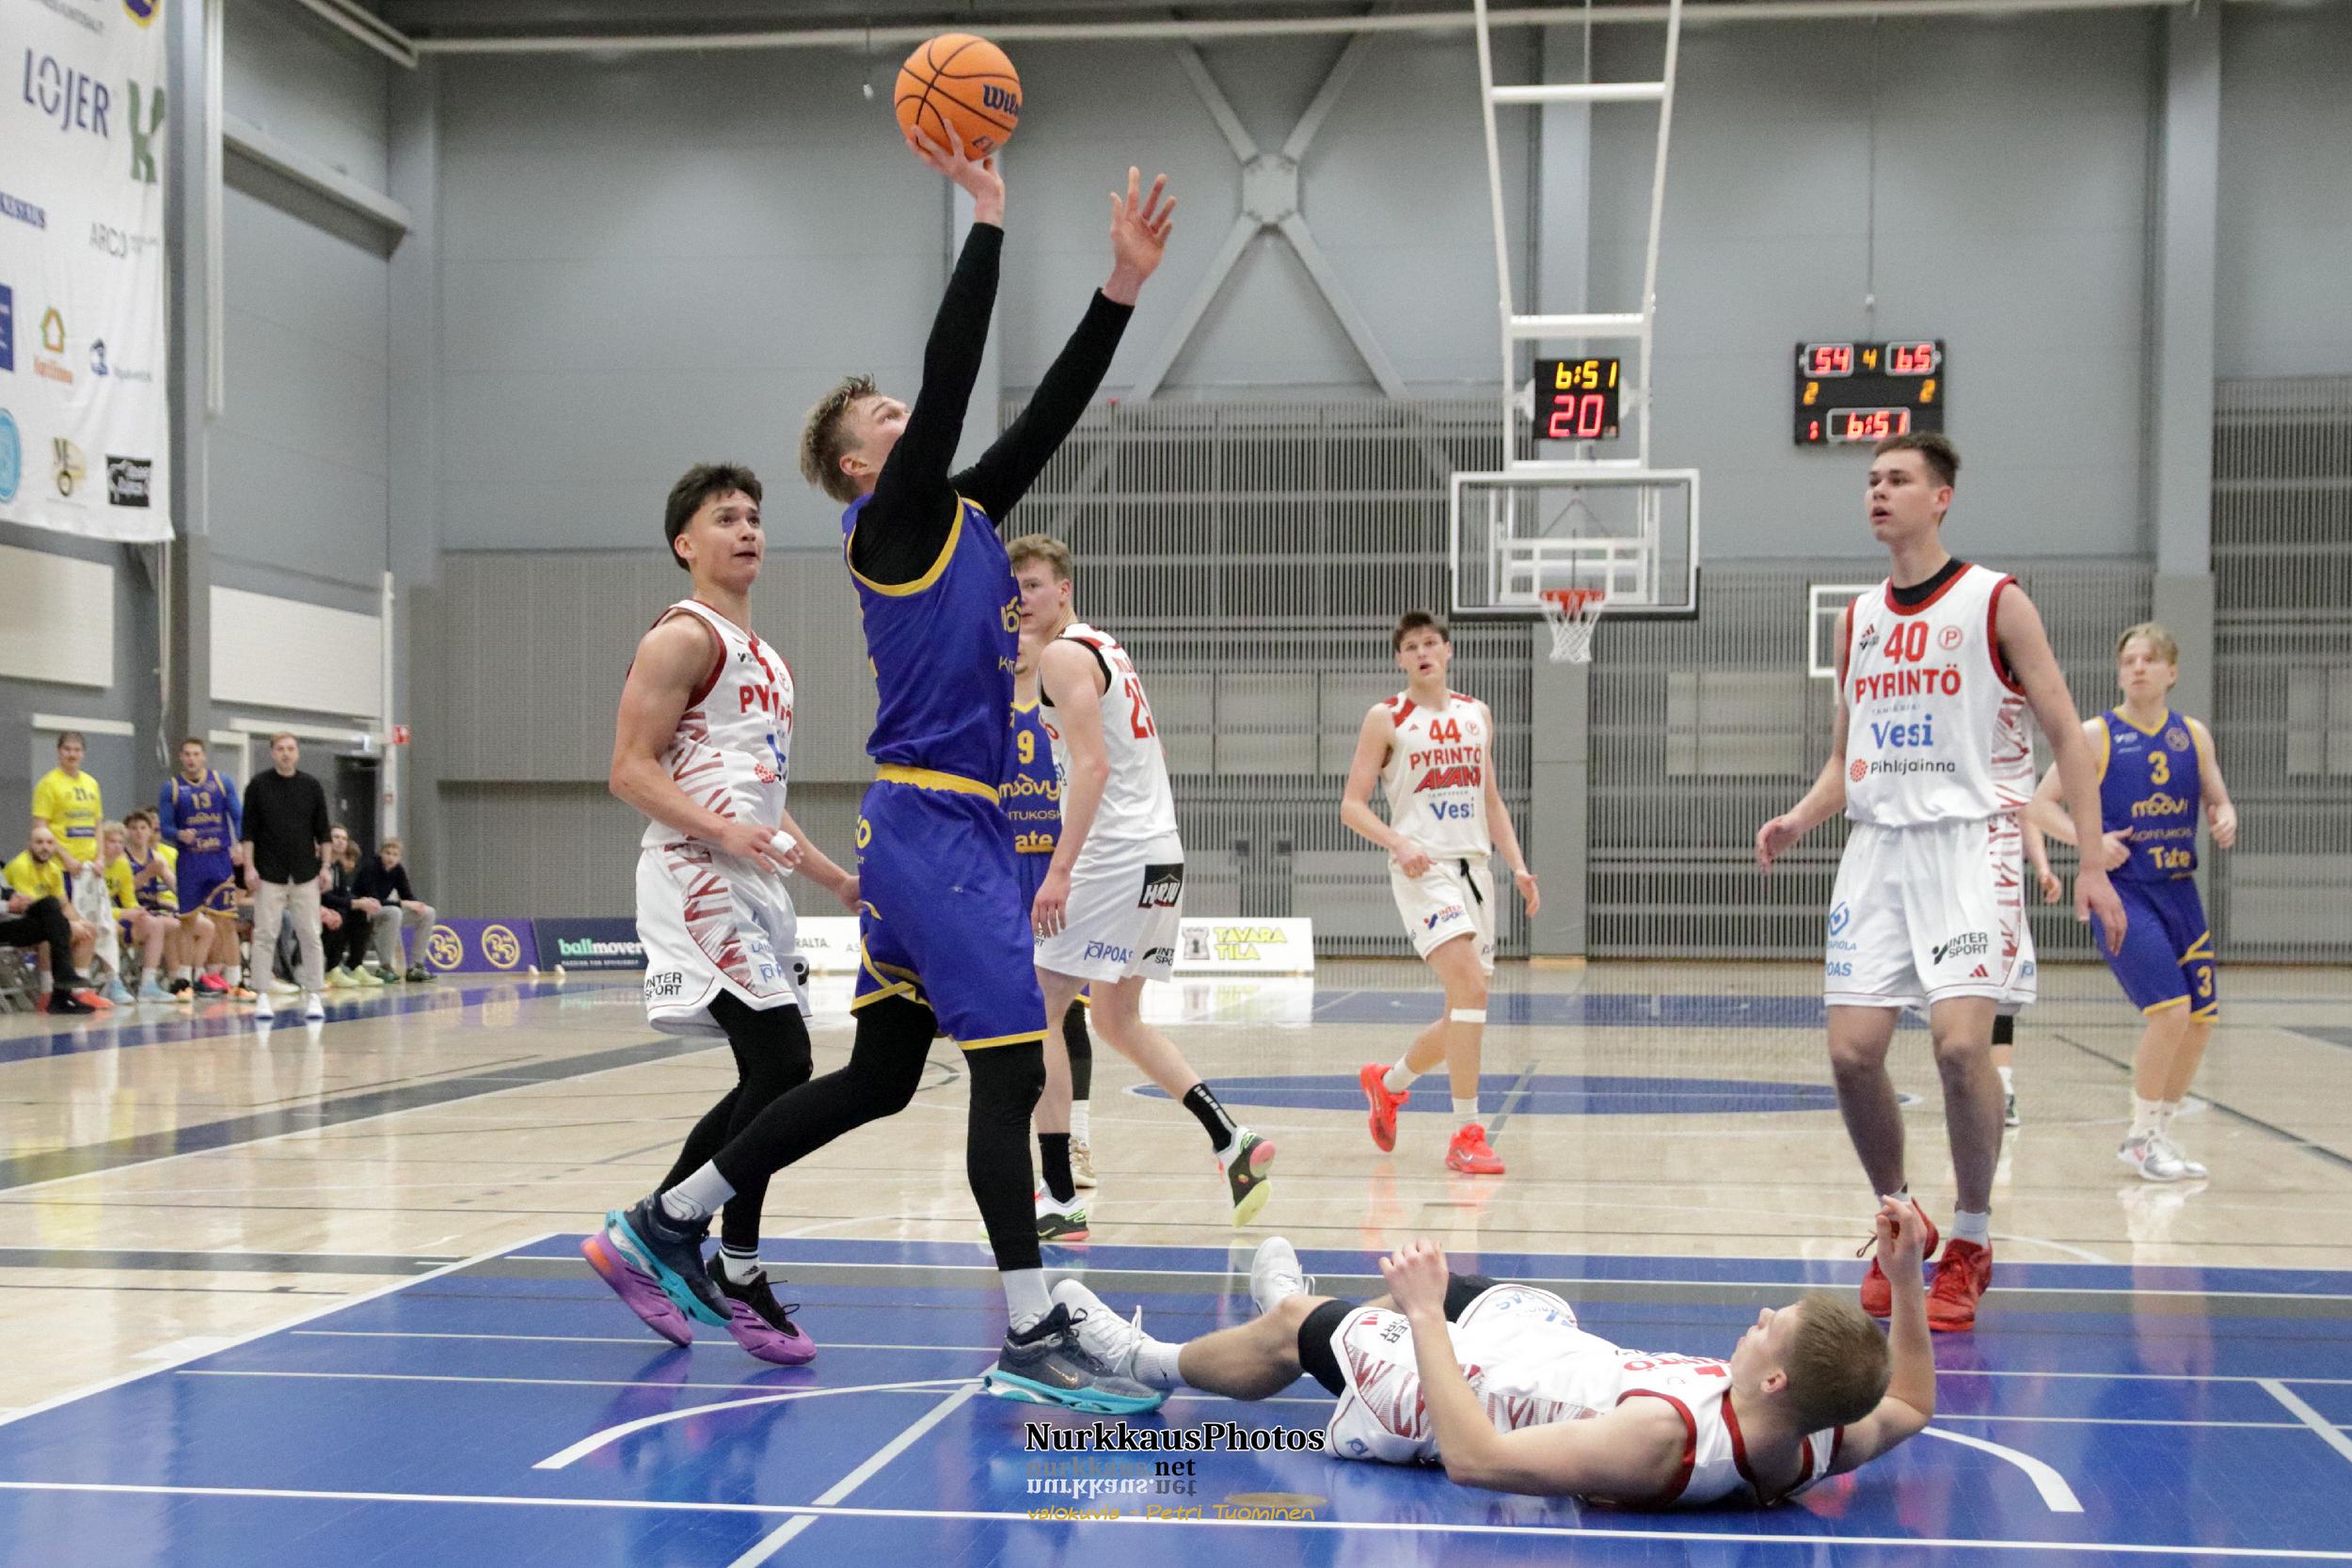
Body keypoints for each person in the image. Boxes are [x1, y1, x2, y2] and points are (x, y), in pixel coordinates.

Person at [596, 135, 1177, 1413]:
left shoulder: (961, 517)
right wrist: (989, 220)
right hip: (936, 825)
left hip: (924, 830)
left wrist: (1122, 289)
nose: (910, 423)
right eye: (888, 423)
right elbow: (955, 374)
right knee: (1012, 1069)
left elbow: (1046, 414)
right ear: (861, 466)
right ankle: (1031, 1327)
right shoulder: (893, 521)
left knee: (878, 1075)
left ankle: (670, 1217)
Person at [1755, 433, 2123, 1333]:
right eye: (1872, 480)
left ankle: (1971, 1236)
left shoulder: (1996, 600)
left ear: (1941, 497)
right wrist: (1801, 817)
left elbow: (2067, 732)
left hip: (1972, 842)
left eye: (1898, 479)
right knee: (1851, 1054)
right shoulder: (1857, 620)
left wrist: (2089, 857)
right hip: (1878, 848)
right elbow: (1847, 757)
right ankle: (1900, 1217)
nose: (1879, 491)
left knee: (1961, 1049)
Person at [1054, 1197, 1932, 1507]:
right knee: (1458, 1286)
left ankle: (1144, 1361)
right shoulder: (1817, 1435)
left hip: (1477, 1393)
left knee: (1305, 1327)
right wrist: (1905, 1277)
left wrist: (1425, 1319)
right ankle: (1296, 1316)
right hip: (1550, 1347)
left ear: (1774, 1377)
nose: (1759, 1315)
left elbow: (1475, 1459)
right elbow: (1912, 1404)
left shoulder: (1661, 1440)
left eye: (1771, 1325)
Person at [581, 462, 858, 1367]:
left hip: (751, 876)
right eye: (725, 518)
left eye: (754, 517)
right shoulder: (681, 636)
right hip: (694, 871)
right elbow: (629, 769)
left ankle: (672, 1238)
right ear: (685, 543)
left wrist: (836, 880)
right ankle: (704, 1250)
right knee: (784, 1063)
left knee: (766, 1077)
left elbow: (761, 802)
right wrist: (722, 832)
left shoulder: (765, 656)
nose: (747, 530)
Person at [1013, 532, 1274, 1240]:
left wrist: (1060, 870)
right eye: (1015, 588)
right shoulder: (1105, 647)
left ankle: (1059, 1197)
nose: (1022, 598)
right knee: (1115, 1018)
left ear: (1064, 588)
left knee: (1037, 1005)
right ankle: (1230, 1139)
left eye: (1034, 584)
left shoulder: (1064, 655)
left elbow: (1092, 768)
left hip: (1116, 853)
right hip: (1160, 854)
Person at [2026, 623, 2236, 1183]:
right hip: (2124, 894)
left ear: (2172, 671)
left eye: (2149, 659)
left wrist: (2225, 816)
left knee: (2201, 1022)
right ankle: (2140, 1139)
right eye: (2129, 661)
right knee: (2170, 1013)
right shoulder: (2095, 735)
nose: (2138, 668)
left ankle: (2158, 1134)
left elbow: (2217, 798)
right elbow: (2038, 805)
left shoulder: (2193, 735)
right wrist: (2090, 843)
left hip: (2180, 893)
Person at [1343, 610, 1540, 1175]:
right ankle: (1466, 1134)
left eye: (1431, 643)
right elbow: (1352, 805)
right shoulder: (1387, 718)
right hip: (1423, 869)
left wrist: (1518, 866)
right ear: (1400, 659)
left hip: (1475, 870)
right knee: (1471, 989)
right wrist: (1399, 842)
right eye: (1411, 647)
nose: (1423, 653)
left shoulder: (1477, 714)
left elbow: (1490, 800)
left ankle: (1388, 1082)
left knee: (1465, 1008)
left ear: (1448, 651)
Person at [1002, 624, 1099, 1198]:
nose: (1015, 639)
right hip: (1004, 868)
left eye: (1025, 629)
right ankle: (1017, 1140)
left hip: (1057, 869)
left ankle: (1076, 1141)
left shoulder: (1065, 700)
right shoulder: (988, 710)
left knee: (1068, 1013)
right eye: (1007, 630)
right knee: (1013, 1015)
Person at [239, 733, 332, 1023]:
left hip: (305, 872)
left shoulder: (311, 786)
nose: (286, 753)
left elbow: (323, 831)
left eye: (291, 748)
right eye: (280, 749)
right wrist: (249, 867)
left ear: (298, 753)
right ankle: (261, 994)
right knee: (265, 934)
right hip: (269, 872)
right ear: (272, 753)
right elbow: (248, 832)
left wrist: (325, 866)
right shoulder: (258, 785)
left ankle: (314, 993)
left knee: (310, 934)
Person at [159, 738, 248, 1000]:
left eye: (196, 754)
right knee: (187, 922)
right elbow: (165, 826)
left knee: (226, 921)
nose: (191, 759)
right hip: (190, 861)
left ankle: (236, 981)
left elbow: (238, 816)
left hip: (218, 859)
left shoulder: (222, 782)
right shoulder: (172, 788)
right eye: (187, 754)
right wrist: (178, 834)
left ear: (204, 757)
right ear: (181, 757)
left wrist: (240, 844)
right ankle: (184, 981)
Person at [1994, 818, 2058, 1130]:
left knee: (2003, 1003)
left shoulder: (2012, 799)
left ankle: (2002, 1088)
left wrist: (2043, 868)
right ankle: (1965, 1090)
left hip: (2004, 911)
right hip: (1956, 906)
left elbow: (2028, 816)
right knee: (1959, 1005)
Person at [3, 824, 103, 1013]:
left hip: (25, 922)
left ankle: (74, 992)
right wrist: (69, 924)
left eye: (50, 843)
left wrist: (79, 922)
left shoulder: (54, 868)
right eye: (39, 842)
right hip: (12, 920)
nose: (45, 847)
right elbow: (27, 907)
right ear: (29, 844)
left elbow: (64, 904)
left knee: (81, 927)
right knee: (52, 915)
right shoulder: (20, 866)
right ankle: (50, 993)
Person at [100, 821, 177, 1003]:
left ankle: (148, 985)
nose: (117, 846)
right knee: (108, 926)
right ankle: (112, 982)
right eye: (112, 842)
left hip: (114, 915)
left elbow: (129, 900)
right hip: (93, 917)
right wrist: (123, 914)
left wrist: (137, 910)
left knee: (154, 924)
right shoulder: (93, 865)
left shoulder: (122, 865)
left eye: (120, 842)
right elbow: (92, 907)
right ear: (101, 843)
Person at [352, 837, 436, 982]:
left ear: (399, 857)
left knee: (428, 912)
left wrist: (416, 905)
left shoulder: (398, 870)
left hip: (384, 911)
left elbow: (408, 896)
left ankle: (416, 967)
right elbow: (374, 900)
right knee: (394, 912)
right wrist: (403, 903)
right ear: (381, 854)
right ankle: (385, 967)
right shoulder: (370, 868)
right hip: (362, 911)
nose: (391, 858)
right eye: (388, 853)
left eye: (395, 855)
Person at [32, 731, 104, 893]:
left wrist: (100, 858)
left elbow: (98, 825)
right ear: (59, 752)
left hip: (90, 868)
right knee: (66, 909)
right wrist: (67, 859)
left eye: (77, 750)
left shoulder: (92, 783)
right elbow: (40, 829)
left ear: (83, 753)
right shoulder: (47, 784)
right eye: (67, 749)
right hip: (61, 867)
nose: (72, 754)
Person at [120, 809, 181, 1002]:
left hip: (152, 910)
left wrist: (193, 901)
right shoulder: (122, 857)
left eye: (143, 828)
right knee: (158, 925)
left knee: (182, 925)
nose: (138, 832)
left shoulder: (156, 857)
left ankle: (177, 980)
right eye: (134, 828)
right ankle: (148, 984)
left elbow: (175, 886)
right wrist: (146, 873)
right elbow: (124, 890)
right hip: (127, 912)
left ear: (150, 831)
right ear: (127, 832)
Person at [318, 829, 379, 988]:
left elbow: (343, 895)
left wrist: (361, 901)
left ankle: (355, 966)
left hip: (333, 908)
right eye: (336, 837)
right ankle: (331, 968)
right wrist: (355, 903)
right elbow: (324, 897)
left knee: (361, 913)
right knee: (341, 913)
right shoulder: (319, 864)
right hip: (317, 909)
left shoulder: (338, 866)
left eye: (344, 838)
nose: (340, 841)